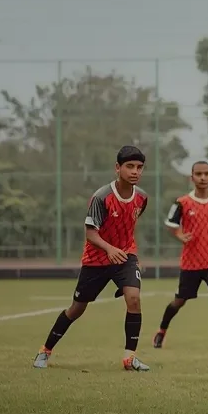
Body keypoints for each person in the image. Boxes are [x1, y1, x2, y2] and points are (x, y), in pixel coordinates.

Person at [33, 145, 151, 372]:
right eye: (130, 166)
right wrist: (109, 249)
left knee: (134, 298)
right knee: (77, 309)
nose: (135, 171)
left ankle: (130, 358)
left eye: (139, 167)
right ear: (117, 168)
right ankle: (45, 350)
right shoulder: (101, 197)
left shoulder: (142, 197)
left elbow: (129, 224)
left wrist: (127, 254)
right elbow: (90, 233)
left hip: (125, 255)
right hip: (96, 260)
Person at [153, 160, 208, 349]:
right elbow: (171, 224)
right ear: (192, 178)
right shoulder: (183, 202)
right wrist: (179, 235)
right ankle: (161, 331)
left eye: (206, 174)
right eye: (198, 174)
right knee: (179, 301)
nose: (203, 177)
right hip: (191, 263)